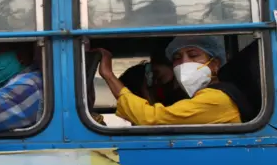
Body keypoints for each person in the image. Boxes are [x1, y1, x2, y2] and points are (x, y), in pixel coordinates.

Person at [95, 35, 244, 125]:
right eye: (177, 58)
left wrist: (108, 74)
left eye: (193, 55)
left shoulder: (217, 98)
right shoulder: (199, 97)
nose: (184, 63)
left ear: (215, 64)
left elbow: (152, 119)